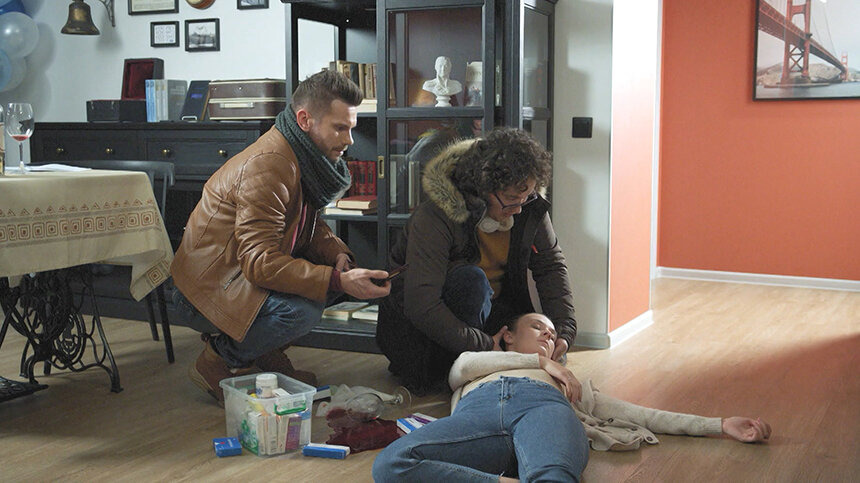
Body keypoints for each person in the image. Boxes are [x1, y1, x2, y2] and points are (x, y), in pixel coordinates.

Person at [170, 70, 391, 403]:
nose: (349, 140)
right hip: (205, 290)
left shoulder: (298, 154)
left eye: (351, 128)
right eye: (339, 128)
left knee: (330, 287)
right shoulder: (270, 164)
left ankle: (262, 354)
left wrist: (337, 257)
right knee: (300, 311)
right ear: (304, 120)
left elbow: (306, 222)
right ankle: (217, 359)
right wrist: (335, 279)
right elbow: (259, 263)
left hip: (233, 277)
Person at [372, 313, 772, 482]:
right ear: (507, 335)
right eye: (537, 326)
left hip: (544, 411)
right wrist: (541, 362)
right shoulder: (480, 363)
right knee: (391, 463)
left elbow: (642, 414)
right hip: (479, 415)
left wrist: (719, 425)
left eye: (551, 334)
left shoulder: (570, 385)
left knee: (554, 477)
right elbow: (460, 365)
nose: (548, 334)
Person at [377, 127, 576, 394]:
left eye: (526, 197)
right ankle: (456, 374)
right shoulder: (435, 216)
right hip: (420, 336)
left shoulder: (527, 206)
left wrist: (564, 331)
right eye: (511, 200)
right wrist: (484, 345)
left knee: (538, 339)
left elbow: (551, 267)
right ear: (482, 189)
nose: (519, 208)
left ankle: (489, 370)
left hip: (486, 315)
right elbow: (421, 304)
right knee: (472, 281)